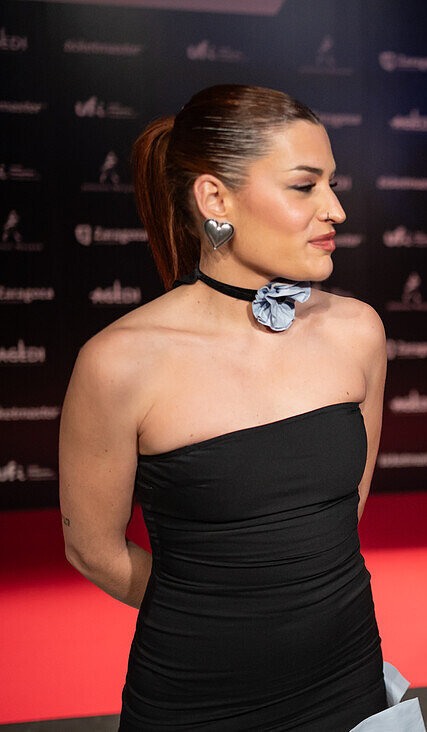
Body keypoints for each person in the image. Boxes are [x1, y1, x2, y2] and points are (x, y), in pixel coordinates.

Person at [58, 85, 396, 729]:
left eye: (332, 183)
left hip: (349, 678)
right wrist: (217, 610)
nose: (336, 209)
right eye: (305, 186)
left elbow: (343, 510)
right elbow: (93, 550)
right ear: (215, 199)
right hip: (198, 697)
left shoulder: (358, 331)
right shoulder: (119, 362)